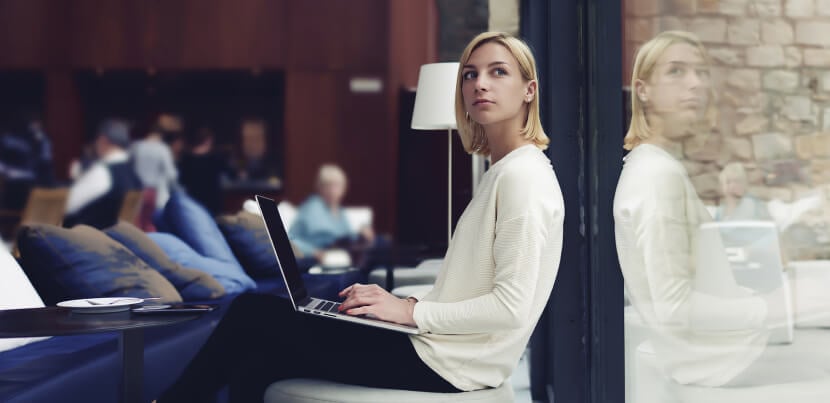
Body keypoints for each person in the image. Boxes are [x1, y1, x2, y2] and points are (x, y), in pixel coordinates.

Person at [159, 31, 564, 403]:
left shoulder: (522, 177)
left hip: (448, 362)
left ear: (529, 91)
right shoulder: (506, 172)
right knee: (258, 363)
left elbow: (510, 307)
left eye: (498, 72)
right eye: (470, 74)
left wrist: (409, 313)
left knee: (252, 311)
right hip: (442, 349)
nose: (480, 83)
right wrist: (399, 301)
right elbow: (470, 291)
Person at [613, 31, 824, 390]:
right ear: (642, 90)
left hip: (719, 361)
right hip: (716, 370)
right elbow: (674, 309)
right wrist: (779, 304)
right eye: (677, 72)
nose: (695, 84)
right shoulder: (656, 176)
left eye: (701, 72)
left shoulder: (656, 167)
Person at [64, 118, 143, 229]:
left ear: (103, 141)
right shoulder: (134, 175)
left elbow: (67, 205)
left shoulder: (103, 172)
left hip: (85, 241)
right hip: (115, 240)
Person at [288, 164, 374, 262]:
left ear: (344, 188)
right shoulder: (312, 208)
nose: (332, 190)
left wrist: (361, 233)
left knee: (380, 244)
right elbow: (290, 239)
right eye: (327, 185)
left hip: (342, 255)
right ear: (319, 187)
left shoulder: (340, 211)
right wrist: (313, 252)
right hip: (318, 260)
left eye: (336, 185)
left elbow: (347, 237)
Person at [178, 126, 232, 215]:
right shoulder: (215, 157)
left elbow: (182, 179)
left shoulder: (186, 158)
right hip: (212, 198)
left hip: (193, 198)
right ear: (209, 140)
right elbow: (230, 173)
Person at [130, 125, 178, 210]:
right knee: (150, 220)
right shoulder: (162, 149)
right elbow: (170, 173)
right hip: (154, 191)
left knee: (132, 219)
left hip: (136, 190)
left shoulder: (136, 146)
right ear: (160, 135)